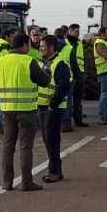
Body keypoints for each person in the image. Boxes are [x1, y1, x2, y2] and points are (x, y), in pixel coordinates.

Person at [0, 33, 51, 191]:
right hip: (27, 110)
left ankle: (7, 182)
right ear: (26, 45)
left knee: (8, 147)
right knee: (25, 147)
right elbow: (44, 81)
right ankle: (26, 182)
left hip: (7, 110)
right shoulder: (28, 61)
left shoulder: (0, 62)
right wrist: (47, 71)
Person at [37, 35, 70, 183]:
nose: (40, 48)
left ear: (51, 48)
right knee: (47, 138)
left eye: (43, 46)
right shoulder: (43, 63)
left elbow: (63, 87)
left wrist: (53, 104)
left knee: (51, 139)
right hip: (43, 106)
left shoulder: (59, 64)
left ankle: (54, 171)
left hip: (53, 108)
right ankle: (56, 169)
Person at [64, 24, 88, 129]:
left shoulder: (79, 43)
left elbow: (82, 58)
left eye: (78, 32)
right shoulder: (65, 44)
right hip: (69, 74)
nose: (78, 34)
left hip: (80, 73)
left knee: (78, 99)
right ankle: (67, 121)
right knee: (68, 100)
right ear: (70, 31)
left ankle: (78, 120)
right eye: (76, 32)